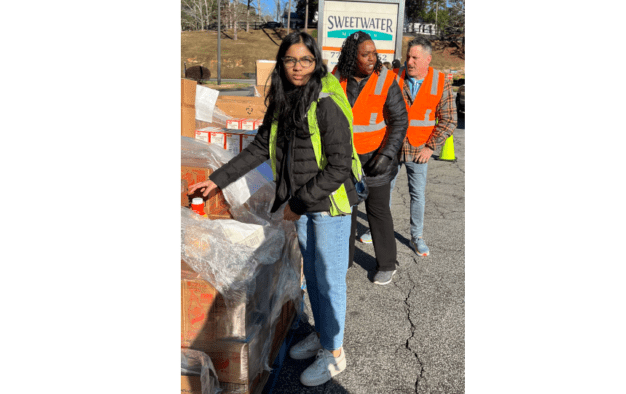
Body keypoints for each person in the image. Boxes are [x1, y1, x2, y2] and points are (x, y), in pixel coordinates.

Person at [188, 32, 362, 387]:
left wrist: (297, 204)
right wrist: (217, 180)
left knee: (329, 280)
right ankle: (325, 335)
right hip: (302, 205)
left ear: (316, 63)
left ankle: (335, 353)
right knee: (312, 276)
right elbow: (258, 147)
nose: (297, 68)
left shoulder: (326, 101)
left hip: (328, 204)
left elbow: (339, 166)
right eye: (290, 60)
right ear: (281, 63)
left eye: (305, 61)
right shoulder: (283, 99)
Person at [332, 31, 408, 285]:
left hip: (377, 160)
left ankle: (387, 263)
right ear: (352, 57)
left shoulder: (386, 79)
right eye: (366, 54)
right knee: (346, 211)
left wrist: (387, 154)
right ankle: (344, 260)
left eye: (374, 53)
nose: (373, 59)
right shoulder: (336, 77)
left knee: (378, 211)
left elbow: (399, 120)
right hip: (344, 160)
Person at [391, 36, 457, 256]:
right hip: (392, 147)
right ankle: (378, 228)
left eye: (415, 58)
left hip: (420, 149)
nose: (409, 61)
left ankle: (416, 236)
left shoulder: (440, 81)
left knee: (417, 194)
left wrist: (430, 147)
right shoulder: (394, 77)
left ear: (427, 60)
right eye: (408, 56)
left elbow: (449, 119)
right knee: (383, 191)